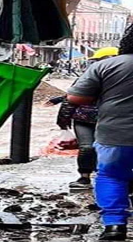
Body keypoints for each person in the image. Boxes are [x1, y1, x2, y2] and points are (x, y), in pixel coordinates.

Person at [68, 29, 133, 241]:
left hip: (115, 134)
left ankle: (114, 225)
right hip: (114, 132)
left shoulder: (106, 66)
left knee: (112, 176)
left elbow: (75, 97)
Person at [48, 47, 119, 191]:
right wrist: (63, 122)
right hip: (84, 119)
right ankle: (84, 177)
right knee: (87, 147)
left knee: (110, 149)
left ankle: (107, 177)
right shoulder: (89, 76)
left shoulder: (122, 79)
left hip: (110, 119)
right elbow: (72, 97)